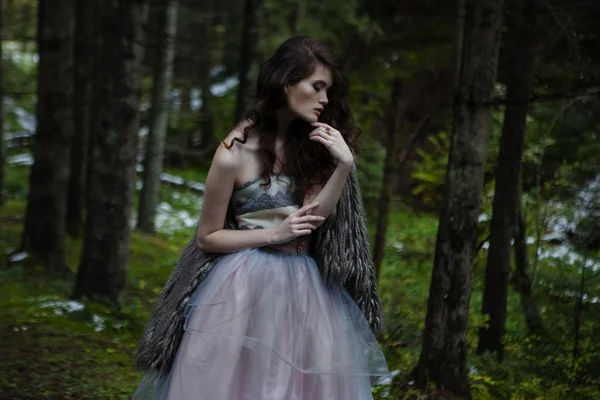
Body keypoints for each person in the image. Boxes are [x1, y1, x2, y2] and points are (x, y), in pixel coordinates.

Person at [133, 36, 389, 400]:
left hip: (306, 286)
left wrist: (344, 164)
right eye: (317, 87)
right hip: (239, 287)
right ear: (287, 83)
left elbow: (315, 217)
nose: (325, 100)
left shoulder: (313, 147)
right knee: (232, 382)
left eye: (328, 90)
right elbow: (208, 237)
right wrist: (272, 235)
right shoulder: (233, 152)